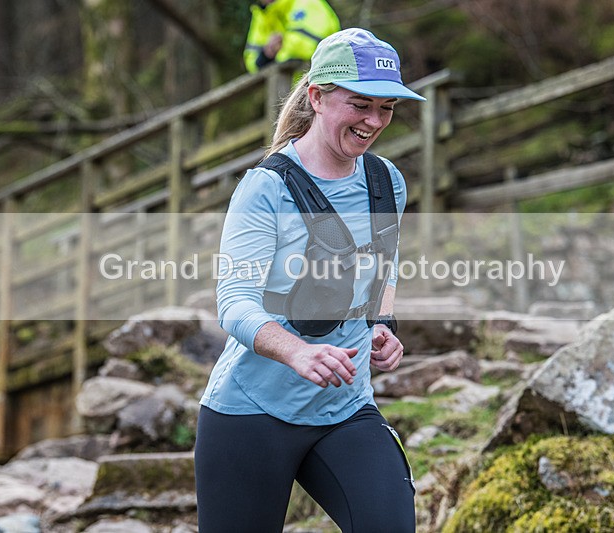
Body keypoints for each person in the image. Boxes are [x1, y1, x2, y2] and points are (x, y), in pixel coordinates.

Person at [195, 28, 425, 532]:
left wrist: (381, 324)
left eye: (386, 108)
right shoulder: (267, 187)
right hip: (250, 414)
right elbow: (234, 303)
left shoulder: (387, 181)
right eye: (360, 104)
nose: (374, 121)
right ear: (317, 97)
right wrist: (297, 352)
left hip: (344, 408)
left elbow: (381, 269)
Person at [243, 0, 340, 73]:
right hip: (289, 92)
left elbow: (307, 46)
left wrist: (277, 50)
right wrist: (266, 54)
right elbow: (251, 61)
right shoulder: (261, 15)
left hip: (323, 84)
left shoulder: (307, 2)